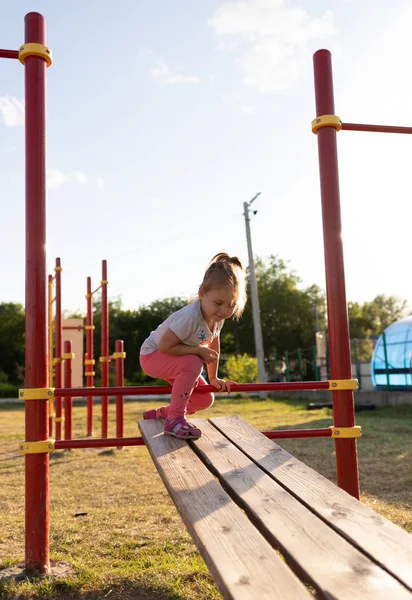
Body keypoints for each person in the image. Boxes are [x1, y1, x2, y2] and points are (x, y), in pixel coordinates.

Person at [139, 253, 247, 440]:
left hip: (177, 360)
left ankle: (162, 414)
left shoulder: (216, 318)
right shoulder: (190, 317)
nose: (224, 311)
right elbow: (165, 346)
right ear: (202, 293)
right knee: (193, 363)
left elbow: (213, 346)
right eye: (218, 303)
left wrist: (213, 377)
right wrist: (197, 351)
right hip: (152, 355)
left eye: (231, 305)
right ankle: (175, 421)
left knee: (204, 398)